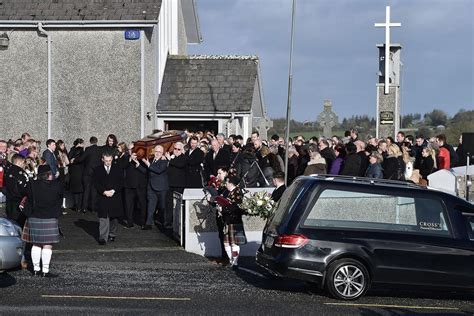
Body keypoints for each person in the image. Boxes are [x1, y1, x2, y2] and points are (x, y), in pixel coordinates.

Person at [21, 164, 63, 277]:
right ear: (49, 175)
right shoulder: (56, 186)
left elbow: (25, 195)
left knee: (36, 244)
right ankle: (45, 270)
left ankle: (35, 269)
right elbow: (60, 198)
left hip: (34, 216)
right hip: (50, 217)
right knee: (47, 245)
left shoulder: (31, 184)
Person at [93, 152, 124, 245]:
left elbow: (121, 182)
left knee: (114, 217)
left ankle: (112, 234)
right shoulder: (97, 169)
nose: (108, 162)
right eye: (106, 161)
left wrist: (113, 191)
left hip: (115, 196)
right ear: (102, 160)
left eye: (110, 160)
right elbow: (95, 183)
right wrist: (104, 191)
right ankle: (103, 237)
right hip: (103, 196)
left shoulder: (118, 169)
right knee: (103, 217)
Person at [218, 175, 246, 269]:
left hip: (234, 220)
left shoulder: (237, 192)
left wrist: (223, 208)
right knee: (226, 242)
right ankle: (231, 261)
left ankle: (235, 262)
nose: (225, 184)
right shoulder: (227, 192)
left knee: (234, 243)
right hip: (227, 220)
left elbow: (236, 207)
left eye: (226, 182)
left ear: (230, 183)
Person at [141, 145, 169, 230]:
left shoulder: (164, 161)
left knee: (162, 207)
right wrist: (138, 165)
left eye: (160, 152)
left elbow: (159, 170)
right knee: (150, 206)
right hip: (151, 187)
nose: (157, 153)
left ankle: (164, 223)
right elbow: (147, 171)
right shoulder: (151, 160)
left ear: (162, 153)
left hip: (162, 188)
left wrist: (148, 165)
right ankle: (148, 223)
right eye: (156, 151)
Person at [74, 136, 103, 213]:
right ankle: (93, 208)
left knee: (86, 190)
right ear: (97, 141)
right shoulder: (100, 150)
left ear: (90, 142)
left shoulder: (88, 149)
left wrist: (74, 159)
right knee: (94, 191)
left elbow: (81, 159)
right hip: (96, 173)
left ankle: (84, 208)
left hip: (87, 172)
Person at [122, 145, 148, 229]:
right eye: (129, 149)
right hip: (129, 186)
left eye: (132, 149)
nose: (131, 151)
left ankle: (143, 222)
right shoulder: (125, 158)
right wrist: (129, 160)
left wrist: (138, 165)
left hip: (140, 186)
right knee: (128, 205)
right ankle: (130, 222)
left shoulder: (142, 158)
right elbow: (121, 167)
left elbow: (146, 171)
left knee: (142, 204)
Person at [165, 142, 188, 229]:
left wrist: (169, 160)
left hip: (179, 185)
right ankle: (168, 222)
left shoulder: (184, 158)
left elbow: (180, 165)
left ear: (182, 150)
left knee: (178, 204)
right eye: (175, 149)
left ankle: (179, 223)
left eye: (178, 149)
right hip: (170, 184)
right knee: (169, 204)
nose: (176, 151)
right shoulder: (171, 157)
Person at [4, 154, 29, 226]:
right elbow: (24, 187)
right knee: (19, 224)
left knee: (11, 223)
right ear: (20, 162)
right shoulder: (21, 173)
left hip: (9, 201)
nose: (24, 164)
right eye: (24, 162)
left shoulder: (8, 170)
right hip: (19, 202)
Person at [68, 139, 85, 212]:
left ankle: (76, 205)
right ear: (79, 143)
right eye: (82, 143)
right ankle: (79, 206)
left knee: (75, 190)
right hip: (80, 171)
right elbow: (83, 159)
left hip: (73, 171)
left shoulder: (72, 150)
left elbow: (69, 159)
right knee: (80, 190)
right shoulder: (81, 151)